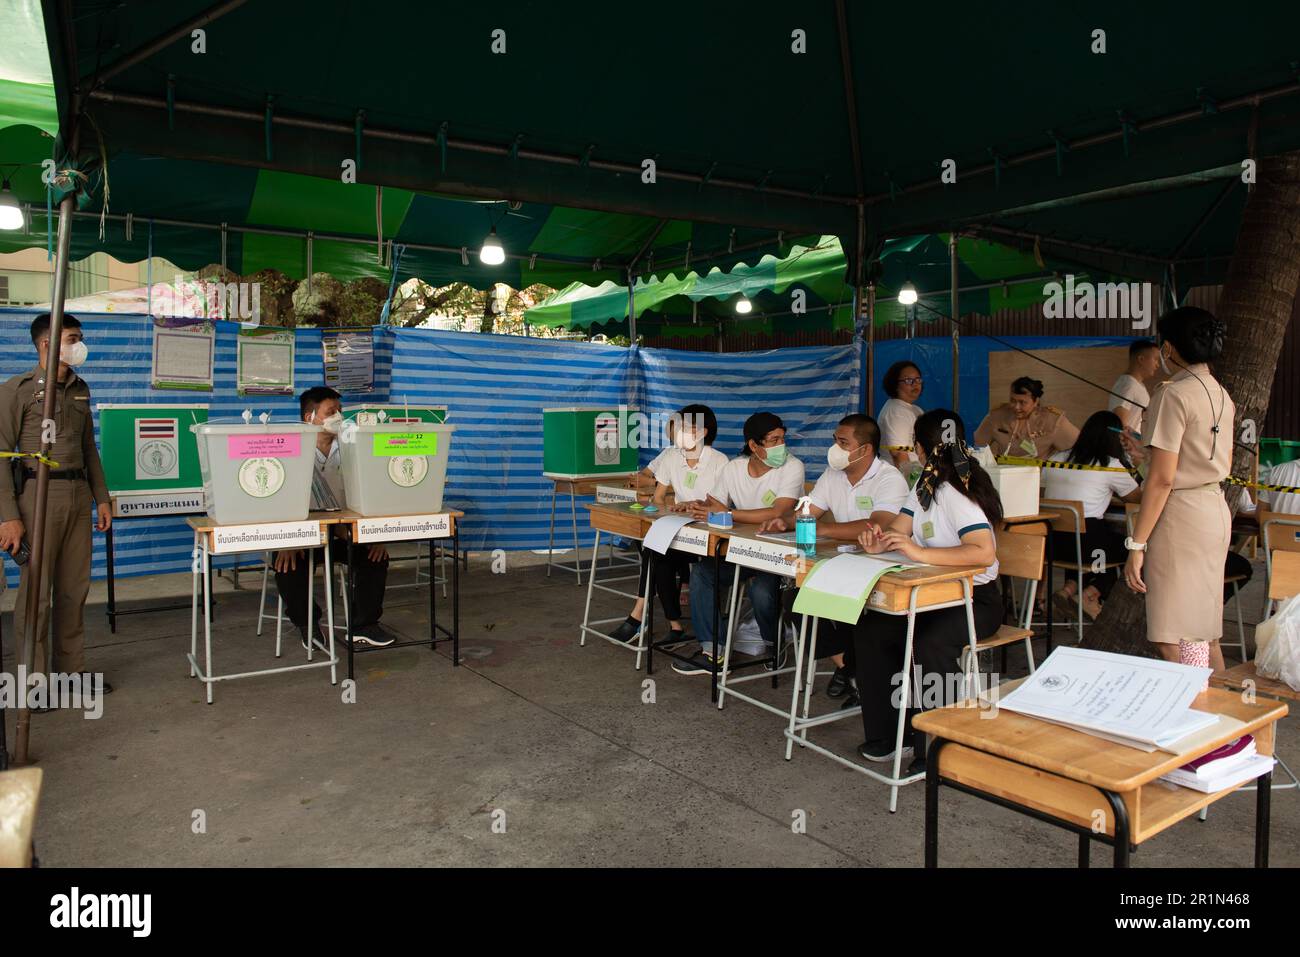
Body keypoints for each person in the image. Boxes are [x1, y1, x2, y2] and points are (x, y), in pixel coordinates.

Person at [853, 409, 1003, 775]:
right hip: (930, 594)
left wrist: (919, 552)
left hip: (973, 600)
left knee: (929, 642)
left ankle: (935, 747)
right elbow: (900, 529)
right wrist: (881, 544)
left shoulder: (958, 490)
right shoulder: (924, 486)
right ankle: (892, 735)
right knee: (873, 631)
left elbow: (983, 552)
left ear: (919, 448)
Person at [0, 313, 114, 701]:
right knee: (36, 596)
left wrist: (102, 498)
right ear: (47, 343)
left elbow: (88, 450)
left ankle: (71, 673)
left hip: (77, 496)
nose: (80, 344)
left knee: (73, 590)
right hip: (36, 496)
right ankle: (34, 683)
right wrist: (9, 517)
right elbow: (0, 456)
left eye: (79, 336)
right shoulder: (17, 390)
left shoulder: (81, 389)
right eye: (73, 337)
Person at [758, 414, 909, 705]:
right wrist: (784, 522)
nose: (835, 449)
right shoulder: (834, 474)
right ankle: (849, 669)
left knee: (848, 611)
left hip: (882, 566)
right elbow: (809, 512)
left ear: (864, 449)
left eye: (843, 442)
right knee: (797, 601)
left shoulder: (889, 479)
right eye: (834, 441)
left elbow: (877, 525)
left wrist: (823, 528)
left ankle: (859, 674)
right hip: (845, 562)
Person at [1124, 307, 1236, 670]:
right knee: (1201, 630)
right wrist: (1146, 455)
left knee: (1170, 633)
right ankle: (1232, 721)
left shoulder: (1173, 394)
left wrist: (1136, 544)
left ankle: (1213, 718)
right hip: (1213, 508)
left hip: (1182, 516)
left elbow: (1162, 479)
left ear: (1169, 348)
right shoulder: (1221, 394)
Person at [674, 411, 805, 675]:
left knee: (761, 590)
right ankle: (715, 651)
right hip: (742, 551)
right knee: (702, 573)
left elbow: (778, 512)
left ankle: (774, 643)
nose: (782, 445)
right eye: (774, 440)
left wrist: (728, 514)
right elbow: (716, 504)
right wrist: (697, 506)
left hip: (779, 555)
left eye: (782, 438)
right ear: (754, 445)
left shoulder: (793, 466)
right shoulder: (734, 467)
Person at [273, 387, 395, 650]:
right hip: (303, 535)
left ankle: (364, 626)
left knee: (375, 555)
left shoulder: (353, 449)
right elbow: (278, 500)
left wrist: (377, 535)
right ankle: (308, 625)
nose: (338, 417)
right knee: (287, 564)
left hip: (343, 532)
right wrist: (287, 540)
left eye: (340, 411)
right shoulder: (291, 450)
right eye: (331, 412)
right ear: (310, 417)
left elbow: (372, 492)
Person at [608, 405, 727, 643]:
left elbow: (720, 505)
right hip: (680, 531)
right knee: (654, 551)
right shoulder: (672, 456)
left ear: (703, 432)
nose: (680, 433)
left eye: (686, 428)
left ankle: (638, 617)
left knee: (656, 552)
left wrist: (693, 505)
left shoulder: (720, 461)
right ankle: (674, 625)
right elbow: (659, 497)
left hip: (709, 535)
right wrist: (666, 510)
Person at [1043, 410, 1142, 620]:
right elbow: (1139, 499)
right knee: (1129, 550)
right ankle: (1090, 594)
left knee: (1089, 542)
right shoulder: (1109, 465)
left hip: (1051, 545)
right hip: (1088, 546)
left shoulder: (1056, 459)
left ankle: (1068, 590)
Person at [975, 376, 1080, 460]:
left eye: (1022, 402)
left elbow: (1079, 448)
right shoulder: (996, 417)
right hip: (1004, 478)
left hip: (1038, 481)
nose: (1016, 407)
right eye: (1012, 400)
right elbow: (978, 448)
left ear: (1036, 401)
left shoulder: (1052, 421)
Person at [878, 361, 925, 470]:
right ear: (895, 384)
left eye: (918, 379)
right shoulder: (896, 411)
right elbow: (899, 454)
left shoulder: (915, 409)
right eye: (909, 380)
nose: (915, 384)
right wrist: (911, 485)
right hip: (902, 478)